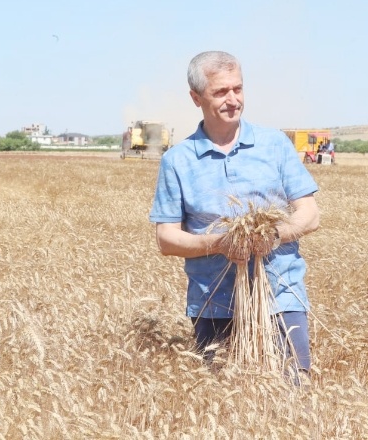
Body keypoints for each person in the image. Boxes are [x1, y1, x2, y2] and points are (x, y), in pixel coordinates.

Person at [149, 51, 320, 374]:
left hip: (280, 298)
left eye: (237, 89)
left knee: (292, 396)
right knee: (222, 406)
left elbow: (310, 214)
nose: (233, 100)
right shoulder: (178, 160)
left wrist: (274, 235)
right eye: (220, 92)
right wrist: (221, 244)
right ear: (195, 98)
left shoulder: (275, 145)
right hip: (213, 304)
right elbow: (166, 238)